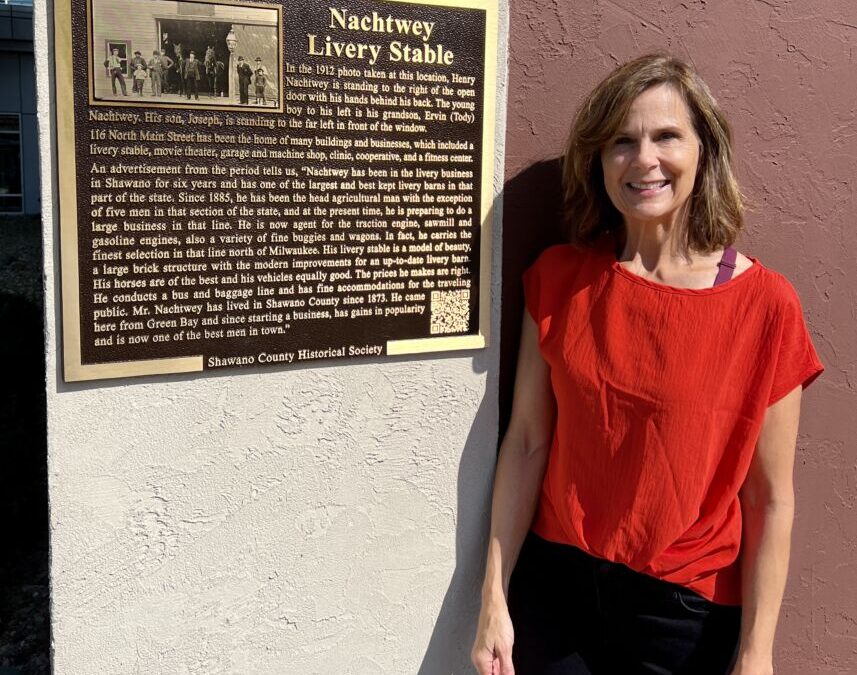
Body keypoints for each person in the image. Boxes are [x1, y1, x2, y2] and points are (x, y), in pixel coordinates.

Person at [471, 54, 824, 675]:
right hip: (555, 592)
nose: (643, 160)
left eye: (666, 136)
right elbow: (526, 442)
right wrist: (494, 596)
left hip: (681, 615)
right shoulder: (559, 280)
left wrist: (757, 651)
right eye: (621, 142)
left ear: (704, 151)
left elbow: (769, 499)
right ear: (599, 161)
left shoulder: (765, 307)